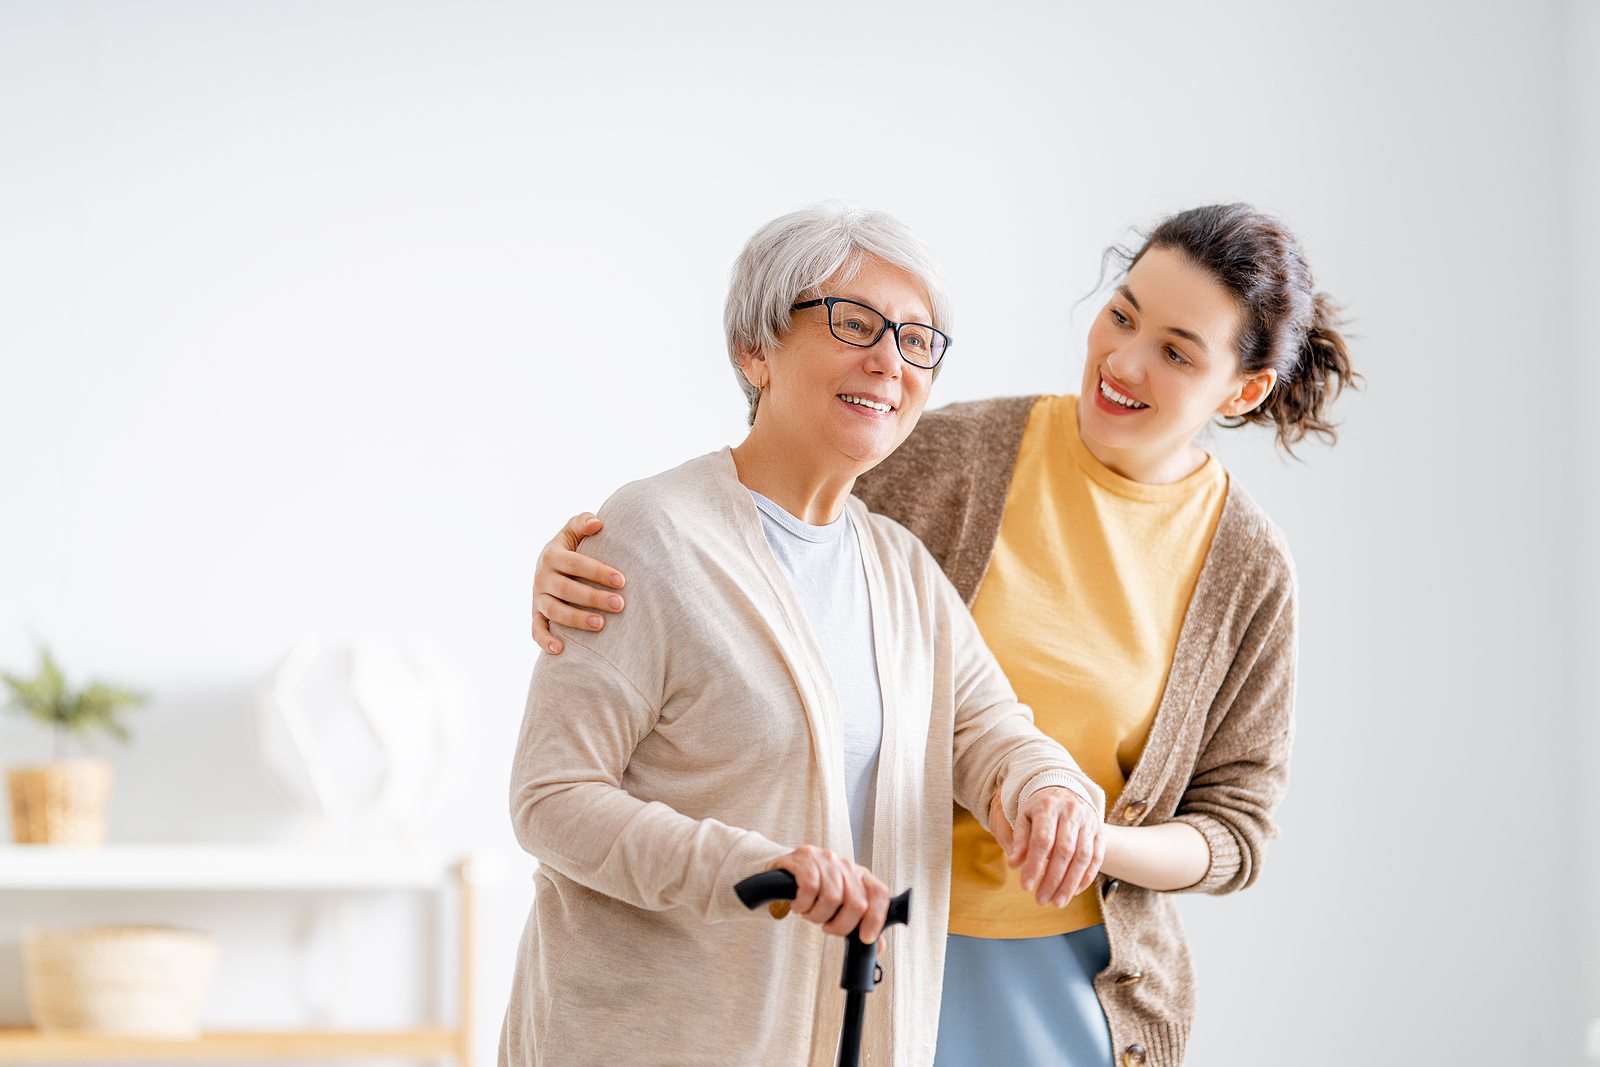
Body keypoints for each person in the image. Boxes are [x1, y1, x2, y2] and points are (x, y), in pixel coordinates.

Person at [531, 202, 1357, 1067]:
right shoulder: (949, 454)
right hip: (835, 941)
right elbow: (742, 543)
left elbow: (1000, 728)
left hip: (1021, 963)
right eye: (1122, 314)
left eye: (1178, 351)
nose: (1125, 360)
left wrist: (1071, 817)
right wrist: (585, 566)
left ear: (1243, 388)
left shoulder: (1240, 565)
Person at [501, 202, 1106, 1067]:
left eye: (917, 340)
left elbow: (992, 732)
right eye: (854, 323)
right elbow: (551, 796)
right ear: (756, 349)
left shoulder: (902, 572)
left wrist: (1050, 793)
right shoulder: (651, 535)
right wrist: (760, 869)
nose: (889, 360)